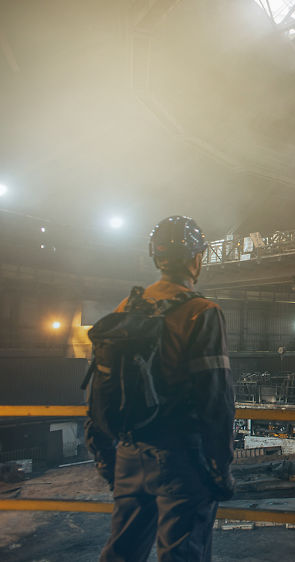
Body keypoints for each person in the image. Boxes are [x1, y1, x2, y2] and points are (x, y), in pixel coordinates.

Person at [85, 215, 235, 562]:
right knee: (182, 553)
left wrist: (105, 454)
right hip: (181, 457)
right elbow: (216, 398)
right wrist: (221, 466)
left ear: (156, 257)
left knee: (122, 551)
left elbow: (99, 388)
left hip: (129, 453)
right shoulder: (202, 312)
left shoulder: (125, 309)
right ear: (197, 258)